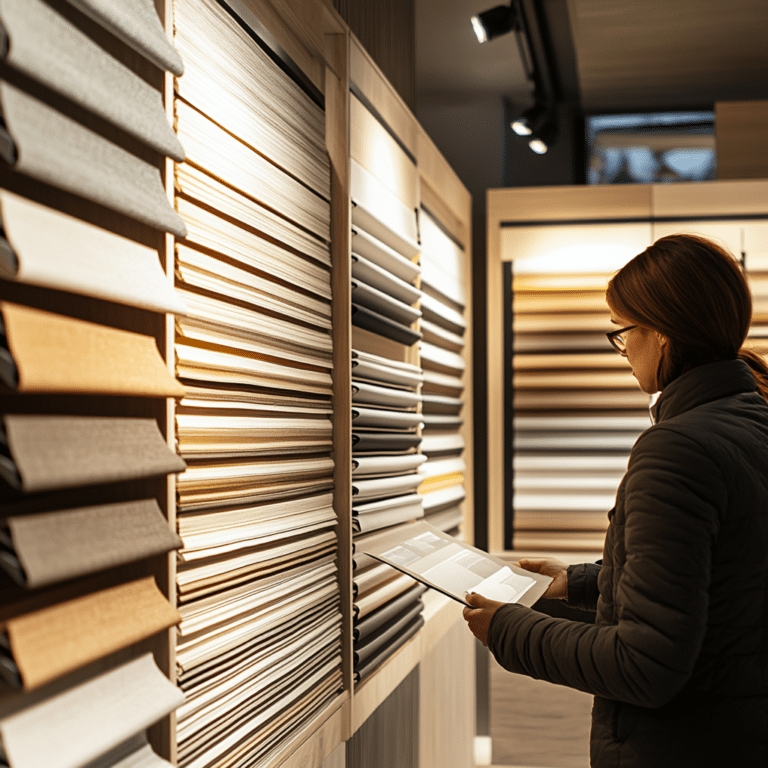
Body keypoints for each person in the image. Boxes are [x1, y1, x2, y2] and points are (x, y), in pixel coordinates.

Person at [463, 234, 768, 767]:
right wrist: (581, 582)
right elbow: (722, 583)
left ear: (663, 335)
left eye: (623, 331)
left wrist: (507, 629)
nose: (622, 348)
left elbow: (644, 664)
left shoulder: (678, 448)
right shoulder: (750, 422)